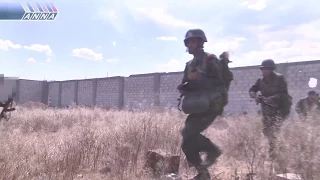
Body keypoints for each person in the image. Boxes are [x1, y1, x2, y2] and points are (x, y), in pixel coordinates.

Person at [177, 29, 233, 180]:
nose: (190, 45)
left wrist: (198, 78)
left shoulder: (210, 59)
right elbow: (185, 83)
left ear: (201, 42)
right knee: (186, 142)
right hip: (196, 105)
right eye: (188, 42)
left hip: (211, 105)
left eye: (193, 41)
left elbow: (218, 82)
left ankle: (213, 151)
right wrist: (183, 87)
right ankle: (203, 174)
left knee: (189, 133)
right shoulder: (189, 64)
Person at [248, 59, 292, 162]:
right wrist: (255, 96)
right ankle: (274, 149)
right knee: (266, 131)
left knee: (275, 130)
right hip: (267, 109)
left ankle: (275, 154)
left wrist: (272, 97)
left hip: (281, 108)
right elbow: (252, 90)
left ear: (272, 69)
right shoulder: (260, 80)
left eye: (268, 69)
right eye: (263, 69)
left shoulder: (279, 78)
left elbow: (284, 94)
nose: (265, 71)